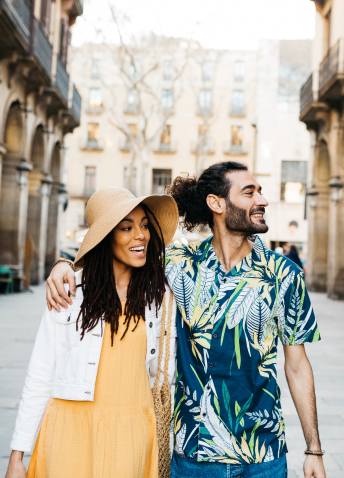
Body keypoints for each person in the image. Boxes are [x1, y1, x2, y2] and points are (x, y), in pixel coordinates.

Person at [45, 162, 326, 478]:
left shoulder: (285, 275)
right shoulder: (180, 265)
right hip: (194, 451)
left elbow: (298, 366)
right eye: (249, 192)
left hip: (263, 452)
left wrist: (313, 449)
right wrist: (65, 263)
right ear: (215, 203)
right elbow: (119, 250)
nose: (262, 200)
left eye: (260, 192)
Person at [6, 186, 179, 478]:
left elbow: (163, 375)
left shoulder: (159, 295)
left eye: (145, 225)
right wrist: (16, 456)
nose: (141, 235)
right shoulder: (69, 292)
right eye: (127, 227)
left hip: (133, 435)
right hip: (69, 431)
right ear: (105, 237)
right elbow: (40, 375)